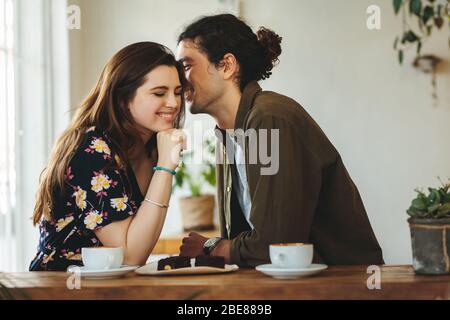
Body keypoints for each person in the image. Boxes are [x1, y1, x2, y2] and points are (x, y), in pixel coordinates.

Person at [177, 14, 384, 267]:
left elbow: (275, 247)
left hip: (342, 286)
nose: (179, 79)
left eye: (186, 66)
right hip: (290, 284)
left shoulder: (270, 117)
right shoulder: (227, 136)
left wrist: (211, 247)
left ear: (227, 66)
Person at [29, 42, 186, 271]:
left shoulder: (151, 147)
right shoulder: (90, 149)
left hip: (109, 288)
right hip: (61, 288)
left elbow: (138, 247)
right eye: (159, 93)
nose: (173, 103)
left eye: (178, 92)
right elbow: (131, 255)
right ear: (123, 97)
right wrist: (165, 167)